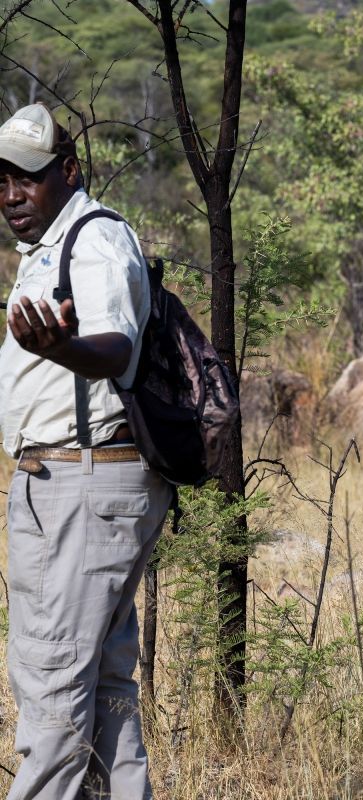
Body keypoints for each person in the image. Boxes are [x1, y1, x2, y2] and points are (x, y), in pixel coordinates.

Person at [0, 103, 170, 800]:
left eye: (29, 179)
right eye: (2, 179)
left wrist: (66, 348)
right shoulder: (49, 247)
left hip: (80, 482)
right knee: (102, 687)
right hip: (82, 484)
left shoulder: (93, 240)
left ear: (67, 171)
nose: (11, 195)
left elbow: (118, 346)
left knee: (52, 684)